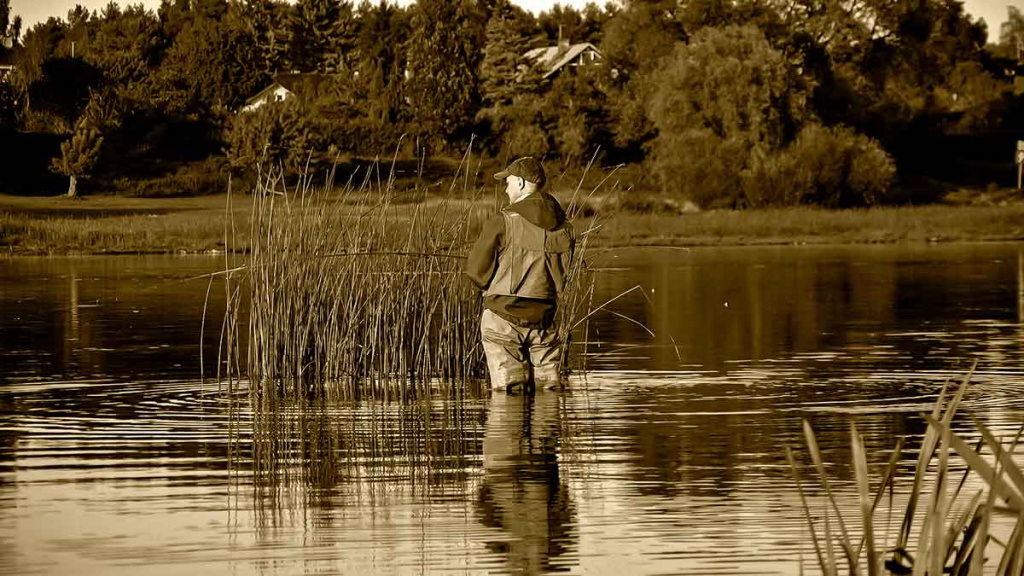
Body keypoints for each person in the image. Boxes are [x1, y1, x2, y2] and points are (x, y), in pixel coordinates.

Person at [465, 156, 575, 392]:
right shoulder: (566, 228)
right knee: (550, 393)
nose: (505, 189)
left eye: (509, 182)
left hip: (503, 316)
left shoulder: (502, 222)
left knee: (508, 396)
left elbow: (475, 272)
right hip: (546, 320)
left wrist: (490, 285)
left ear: (522, 183)